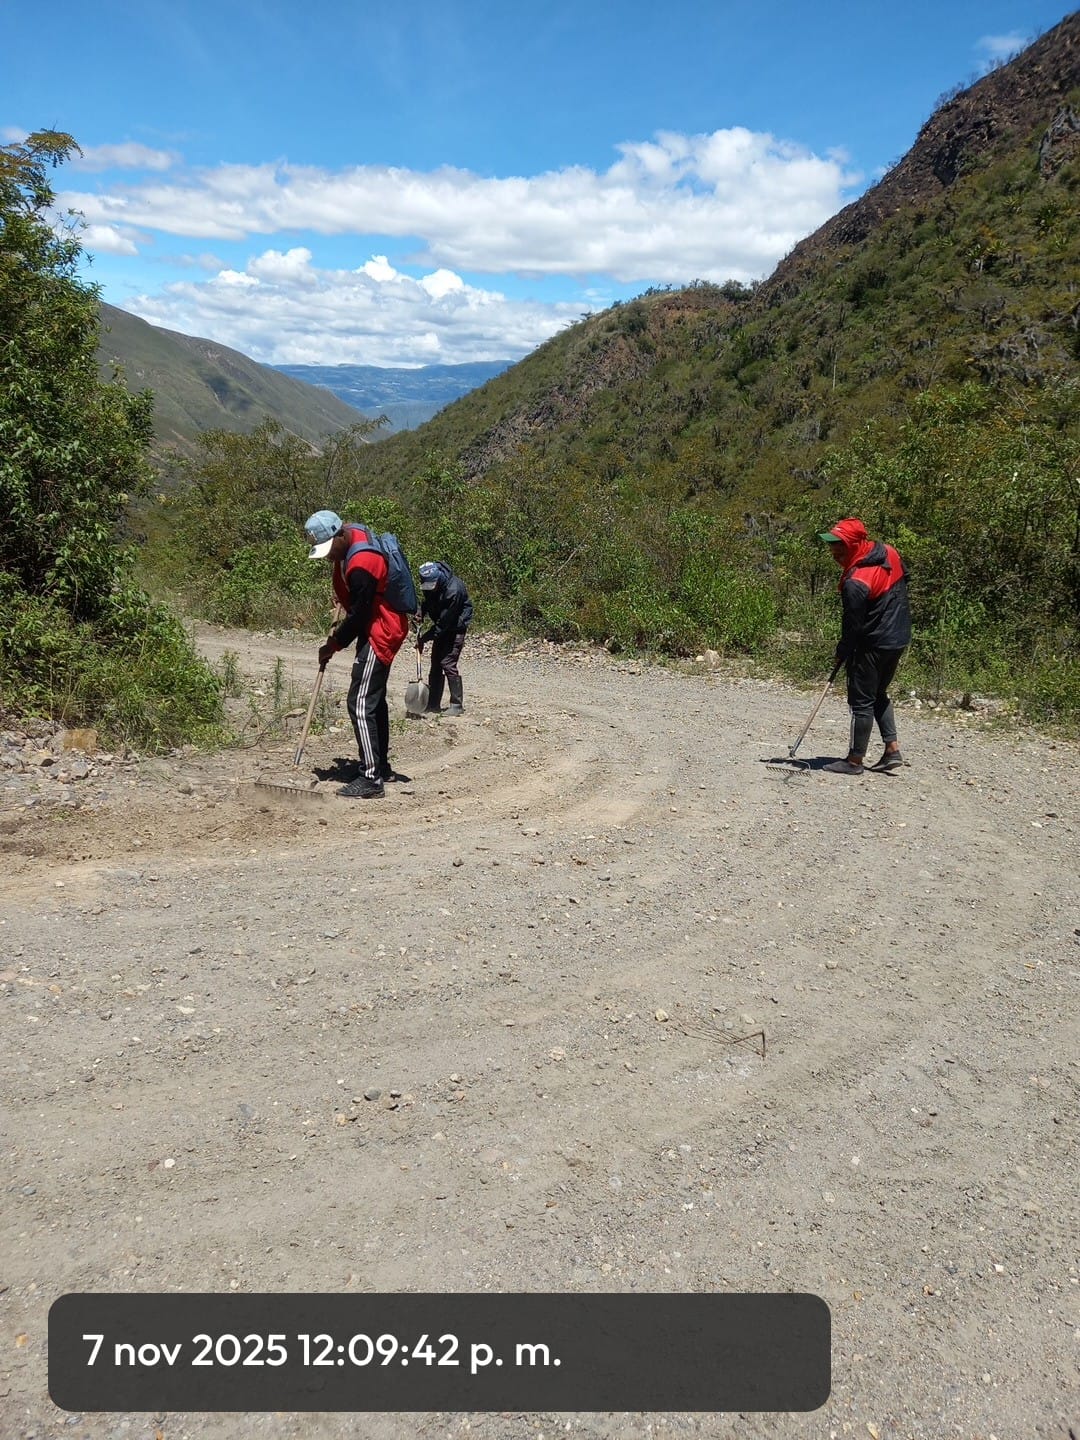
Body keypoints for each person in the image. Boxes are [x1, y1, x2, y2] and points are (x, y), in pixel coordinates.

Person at [304, 510, 409, 799]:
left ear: (339, 534)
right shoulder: (351, 533)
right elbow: (360, 599)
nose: (328, 557)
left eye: (329, 549)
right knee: (372, 699)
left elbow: (360, 614)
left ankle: (371, 778)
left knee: (360, 702)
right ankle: (380, 766)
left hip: (381, 629)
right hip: (375, 623)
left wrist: (333, 644)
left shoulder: (362, 563)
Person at [818, 516, 912, 776]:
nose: (834, 551)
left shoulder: (855, 582)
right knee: (878, 693)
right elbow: (905, 579)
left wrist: (842, 652)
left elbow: (853, 626)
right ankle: (892, 750)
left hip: (873, 642)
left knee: (861, 701)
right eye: (832, 544)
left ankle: (854, 761)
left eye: (840, 545)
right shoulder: (889, 553)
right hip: (898, 637)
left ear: (855, 544)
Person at [415, 560, 473, 716]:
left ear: (439, 578)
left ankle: (456, 705)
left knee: (447, 662)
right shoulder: (429, 584)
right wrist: (421, 612)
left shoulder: (454, 590)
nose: (430, 588)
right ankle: (433, 703)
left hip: (455, 627)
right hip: (441, 627)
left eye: (432, 585)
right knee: (435, 664)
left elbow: (443, 624)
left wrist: (424, 639)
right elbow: (427, 601)